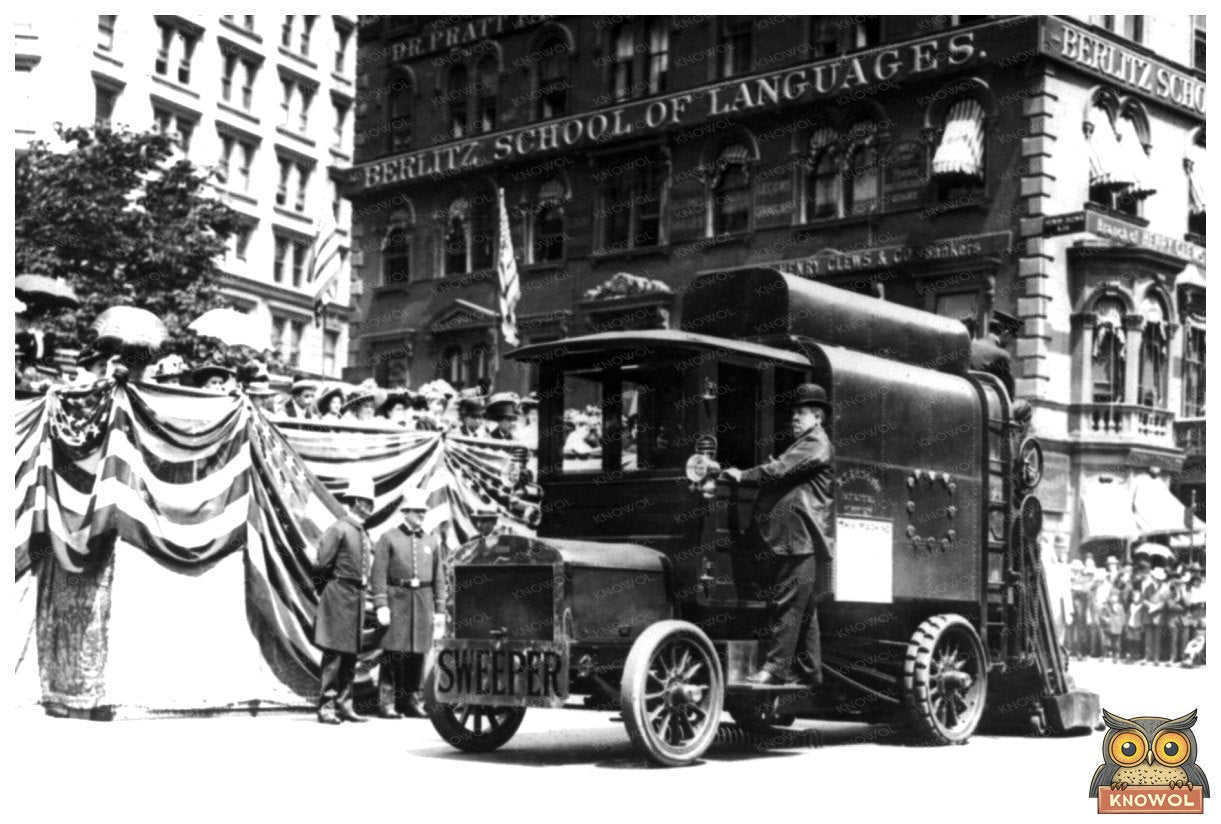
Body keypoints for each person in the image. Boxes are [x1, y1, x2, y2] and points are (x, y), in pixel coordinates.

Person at [722, 383, 833, 686]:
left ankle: (774, 670)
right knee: (803, 611)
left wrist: (742, 475)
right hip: (796, 540)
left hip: (798, 540)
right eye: (793, 413)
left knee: (787, 609)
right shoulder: (806, 444)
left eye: (802, 413)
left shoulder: (815, 443)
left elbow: (779, 471)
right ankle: (809, 672)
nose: (794, 418)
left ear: (818, 417)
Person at [370, 488, 447, 718]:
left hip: (423, 602)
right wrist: (381, 604)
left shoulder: (431, 541)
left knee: (418, 654)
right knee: (393, 653)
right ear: (406, 512)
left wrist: (440, 609)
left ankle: (411, 701)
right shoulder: (389, 538)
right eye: (417, 511)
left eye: (423, 511)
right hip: (397, 600)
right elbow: (378, 574)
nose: (422, 514)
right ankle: (387, 703)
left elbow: (439, 577)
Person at [312, 476, 376, 724]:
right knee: (334, 654)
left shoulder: (362, 532)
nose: (371, 507)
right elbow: (321, 565)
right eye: (367, 502)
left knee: (350, 654)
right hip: (338, 595)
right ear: (357, 502)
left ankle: (345, 705)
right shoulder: (339, 529)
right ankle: (327, 706)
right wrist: (329, 592)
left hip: (356, 598)